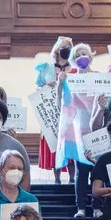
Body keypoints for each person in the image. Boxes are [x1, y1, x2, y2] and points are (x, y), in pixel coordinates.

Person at [59, 44, 99, 216]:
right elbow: (61, 103)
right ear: (73, 60)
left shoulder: (100, 78)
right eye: (78, 54)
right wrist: (61, 84)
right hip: (78, 130)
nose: (82, 56)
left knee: (98, 171)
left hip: (98, 128)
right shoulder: (70, 79)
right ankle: (81, 207)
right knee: (81, 171)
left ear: (90, 56)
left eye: (85, 53)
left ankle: (97, 207)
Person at [35, 36, 74, 183]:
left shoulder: (74, 68)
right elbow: (37, 88)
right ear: (57, 50)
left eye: (69, 47)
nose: (66, 50)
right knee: (54, 144)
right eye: (63, 47)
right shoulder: (46, 67)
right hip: (51, 110)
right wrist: (46, 86)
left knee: (70, 143)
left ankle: (72, 177)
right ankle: (56, 178)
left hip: (70, 110)